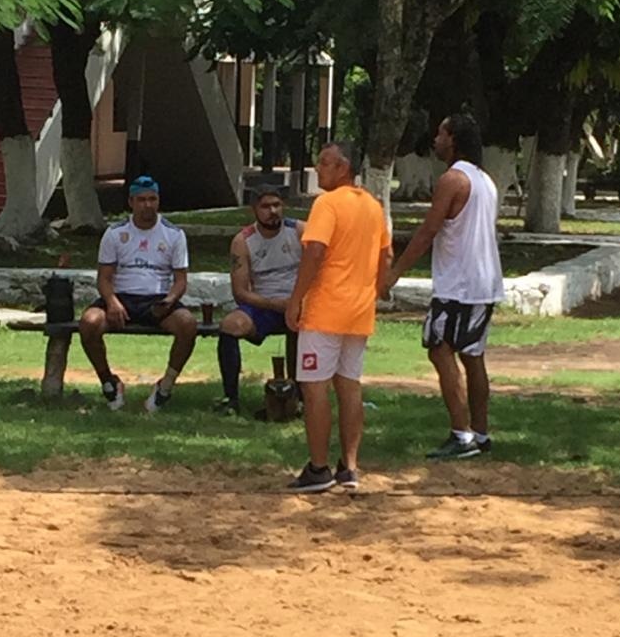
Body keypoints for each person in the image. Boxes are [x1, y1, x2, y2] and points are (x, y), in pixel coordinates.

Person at [385, 114, 504, 459]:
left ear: (453, 139)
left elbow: (427, 232)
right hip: (484, 281)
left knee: (439, 348)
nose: (435, 139)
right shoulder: (485, 181)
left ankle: (461, 435)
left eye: (440, 133)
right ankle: (480, 434)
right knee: (473, 355)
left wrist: (394, 273)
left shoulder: (453, 179)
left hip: (459, 284)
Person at [286, 142, 392, 492]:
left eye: (325, 163)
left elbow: (315, 250)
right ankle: (349, 466)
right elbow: (386, 256)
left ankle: (318, 468)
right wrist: (372, 293)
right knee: (349, 385)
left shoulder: (327, 204)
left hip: (325, 310)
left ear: (343, 167)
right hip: (359, 312)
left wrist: (296, 298)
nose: (319, 169)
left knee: (314, 388)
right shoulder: (373, 207)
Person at [78, 175, 197, 411]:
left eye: (152, 199)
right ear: (131, 202)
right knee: (89, 322)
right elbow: (104, 278)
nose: (147, 205)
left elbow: (180, 280)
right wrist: (111, 302)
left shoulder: (174, 234)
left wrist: (170, 300)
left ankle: (165, 386)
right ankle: (109, 382)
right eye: (141, 200)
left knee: (188, 324)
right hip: (121, 297)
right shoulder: (115, 233)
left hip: (158, 298)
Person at [215, 186, 305, 415]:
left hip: (298, 303)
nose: (272, 211)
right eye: (266, 206)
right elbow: (240, 292)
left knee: (301, 323)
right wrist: (275, 304)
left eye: (277, 205)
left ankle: (300, 395)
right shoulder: (243, 241)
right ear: (254, 209)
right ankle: (231, 399)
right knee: (230, 325)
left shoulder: (299, 231)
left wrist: (296, 301)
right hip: (263, 304)